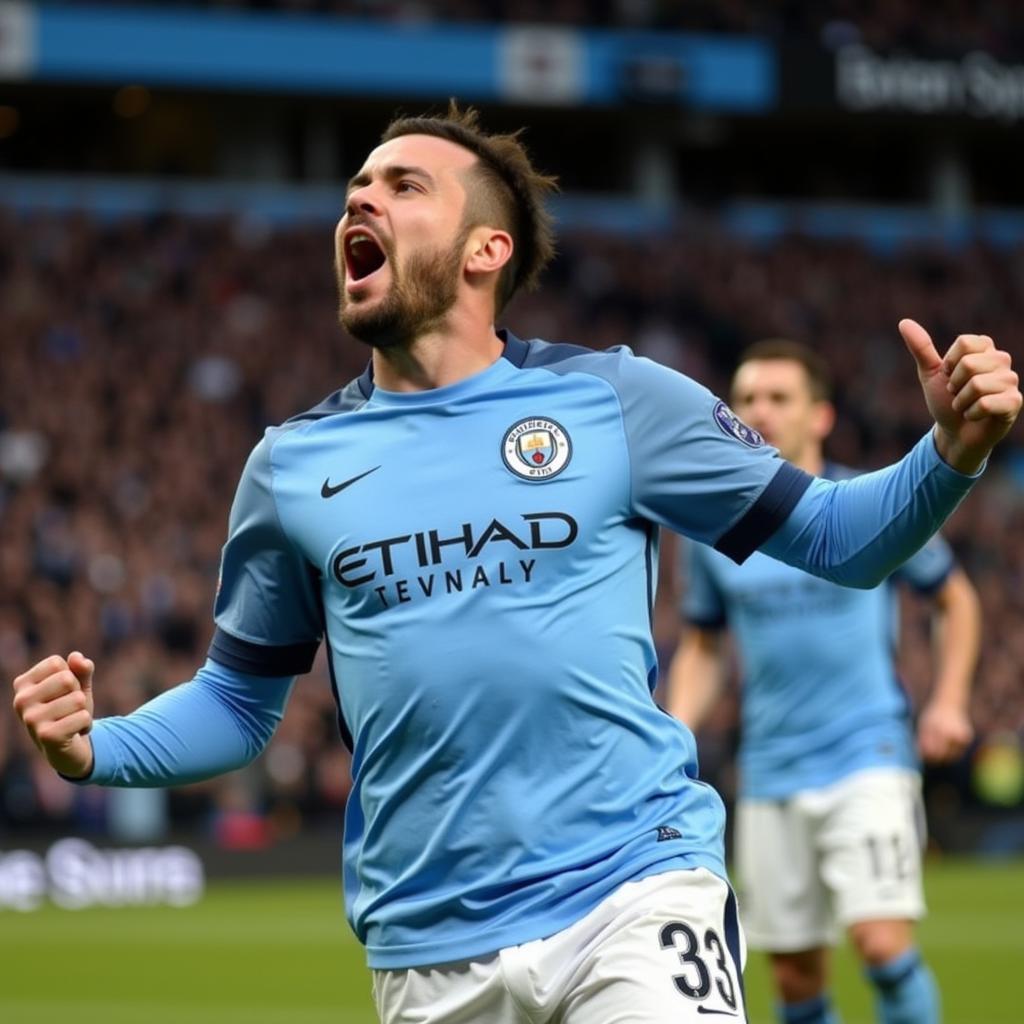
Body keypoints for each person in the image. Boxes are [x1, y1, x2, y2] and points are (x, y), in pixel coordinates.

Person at [11, 105, 1020, 1024]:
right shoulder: (289, 465)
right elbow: (237, 701)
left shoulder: (616, 401)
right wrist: (98, 749)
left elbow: (839, 540)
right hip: (426, 943)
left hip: (633, 887)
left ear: (485, 249)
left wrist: (949, 454)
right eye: (356, 184)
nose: (362, 195)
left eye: (405, 184)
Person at [666, 339, 982, 1024]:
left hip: (865, 752)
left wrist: (949, 700)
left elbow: (954, 598)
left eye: (779, 398)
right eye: (747, 398)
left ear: (821, 416)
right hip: (771, 769)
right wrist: (675, 730)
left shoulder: (866, 504)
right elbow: (703, 644)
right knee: (796, 979)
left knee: (880, 942)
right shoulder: (715, 528)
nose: (759, 411)